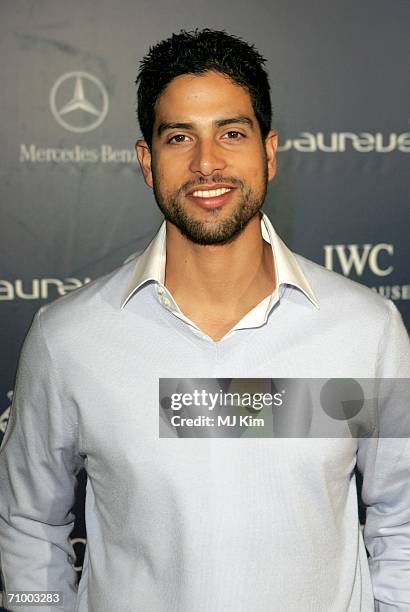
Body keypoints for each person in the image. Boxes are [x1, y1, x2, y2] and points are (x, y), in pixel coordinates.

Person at [0, 28, 409, 612]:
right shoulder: (69, 339)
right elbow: (27, 524)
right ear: (147, 161)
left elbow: (403, 517)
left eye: (231, 133)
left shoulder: (365, 330)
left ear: (268, 151)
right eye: (178, 138)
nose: (207, 162)